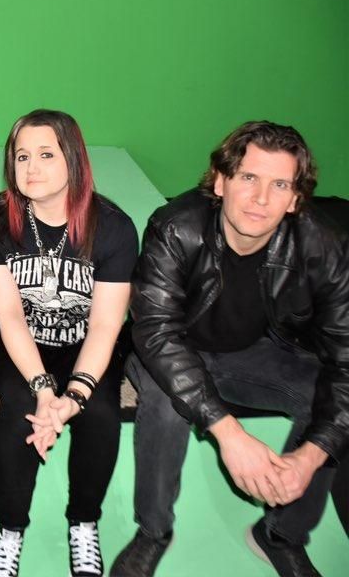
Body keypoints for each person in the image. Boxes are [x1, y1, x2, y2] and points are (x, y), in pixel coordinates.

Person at [110, 121, 349, 577]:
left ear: (295, 199)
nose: (261, 198)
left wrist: (312, 454)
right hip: (172, 349)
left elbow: (345, 359)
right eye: (248, 177)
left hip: (254, 352)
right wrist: (230, 434)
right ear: (220, 182)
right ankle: (153, 531)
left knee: (326, 399)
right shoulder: (175, 227)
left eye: (280, 185)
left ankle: (280, 535)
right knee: (165, 406)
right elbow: (157, 332)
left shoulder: (323, 245)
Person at [0, 110, 137, 577]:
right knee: (18, 410)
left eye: (46, 154)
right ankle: (10, 528)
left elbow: (105, 325)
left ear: (74, 160)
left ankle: (84, 522)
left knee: (100, 413)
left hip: (86, 344)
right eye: (22, 156)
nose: (31, 167)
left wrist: (75, 396)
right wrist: (45, 392)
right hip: (20, 344)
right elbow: (8, 316)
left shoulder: (113, 227)